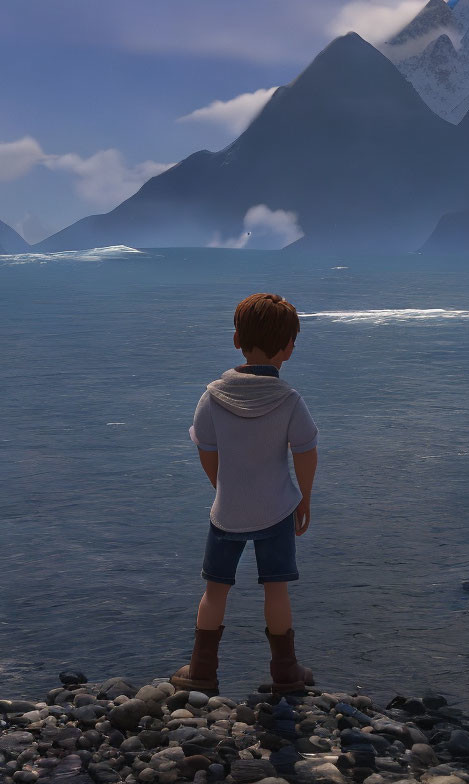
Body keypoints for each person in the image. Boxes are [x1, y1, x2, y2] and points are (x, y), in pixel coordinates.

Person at [170, 292, 318, 695]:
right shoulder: (289, 400)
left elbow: (206, 449)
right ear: (289, 347)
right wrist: (303, 498)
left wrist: (224, 486)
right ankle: (285, 671)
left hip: (227, 511)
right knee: (276, 588)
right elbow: (305, 451)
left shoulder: (213, 397)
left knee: (215, 590)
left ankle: (202, 670)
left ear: (237, 339)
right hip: (277, 510)